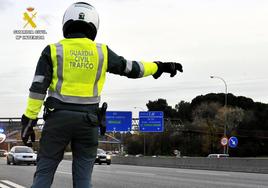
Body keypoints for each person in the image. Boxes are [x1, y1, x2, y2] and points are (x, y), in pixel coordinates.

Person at [21, 2, 183, 188]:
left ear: (66, 23)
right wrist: (159, 66)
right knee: (83, 179)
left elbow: (38, 88)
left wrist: (29, 119)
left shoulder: (52, 50)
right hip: (88, 122)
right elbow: (131, 68)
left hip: (57, 120)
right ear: (94, 25)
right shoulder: (101, 52)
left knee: (45, 171)